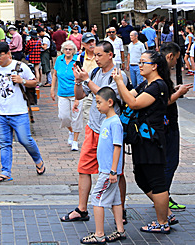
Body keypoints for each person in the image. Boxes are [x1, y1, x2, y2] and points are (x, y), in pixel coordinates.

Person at [60, 41, 127, 224]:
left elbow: (106, 97)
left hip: (109, 130)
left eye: (99, 55)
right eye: (94, 55)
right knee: (84, 168)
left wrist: (87, 79)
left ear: (110, 55)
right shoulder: (96, 73)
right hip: (93, 127)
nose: (96, 58)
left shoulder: (118, 75)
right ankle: (82, 209)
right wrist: (78, 81)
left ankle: (120, 209)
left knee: (116, 172)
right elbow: (81, 95)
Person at [112, 50, 172, 234]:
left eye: (143, 62)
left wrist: (120, 81)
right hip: (141, 138)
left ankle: (163, 221)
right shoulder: (146, 84)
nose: (140, 65)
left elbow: (134, 103)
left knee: (156, 180)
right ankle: (166, 213)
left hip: (151, 139)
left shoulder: (158, 86)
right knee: (141, 178)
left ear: (154, 66)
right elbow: (129, 96)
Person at [0, 42, 45, 183]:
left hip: (19, 111)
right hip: (1, 112)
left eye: (1, 55)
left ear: (8, 54)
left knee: (25, 139)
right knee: (5, 143)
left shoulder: (20, 66)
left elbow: (35, 82)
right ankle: (5, 171)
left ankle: (38, 160)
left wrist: (22, 80)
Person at [81, 86, 125, 244]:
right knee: (115, 200)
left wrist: (113, 170)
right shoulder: (108, 121)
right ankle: (120, 230)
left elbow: (117, 147)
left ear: (110, 102)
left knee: (96, 198)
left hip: (108, 171)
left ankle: (99, 234)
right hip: (107, 170)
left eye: (99, 102)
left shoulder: (115, 123)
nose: (97, 106)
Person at [159, 42, 192, 216]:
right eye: (177, 59)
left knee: (167, 161)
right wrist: (178, 94)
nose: (176, 64)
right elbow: (163, 100)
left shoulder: (159, 71)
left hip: (166, 123)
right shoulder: (160, 73)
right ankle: (163, 197)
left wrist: (175, 90)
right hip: (166, 123)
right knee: (170, 161)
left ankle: (161, 196)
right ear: (170, 56)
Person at [51, 40, 81, 151]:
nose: (68, 51)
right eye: (66, 49)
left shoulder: (77, 60)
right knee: (63, 117)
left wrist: (79, 97)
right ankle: (71, 131)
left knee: (76, 117)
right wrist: (52, 89)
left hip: (75, 93)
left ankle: (75, 141)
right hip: (62, 93)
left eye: (70, 49)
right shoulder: (59, 60)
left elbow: (80, 77)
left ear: (74, 51)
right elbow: (55, 75)